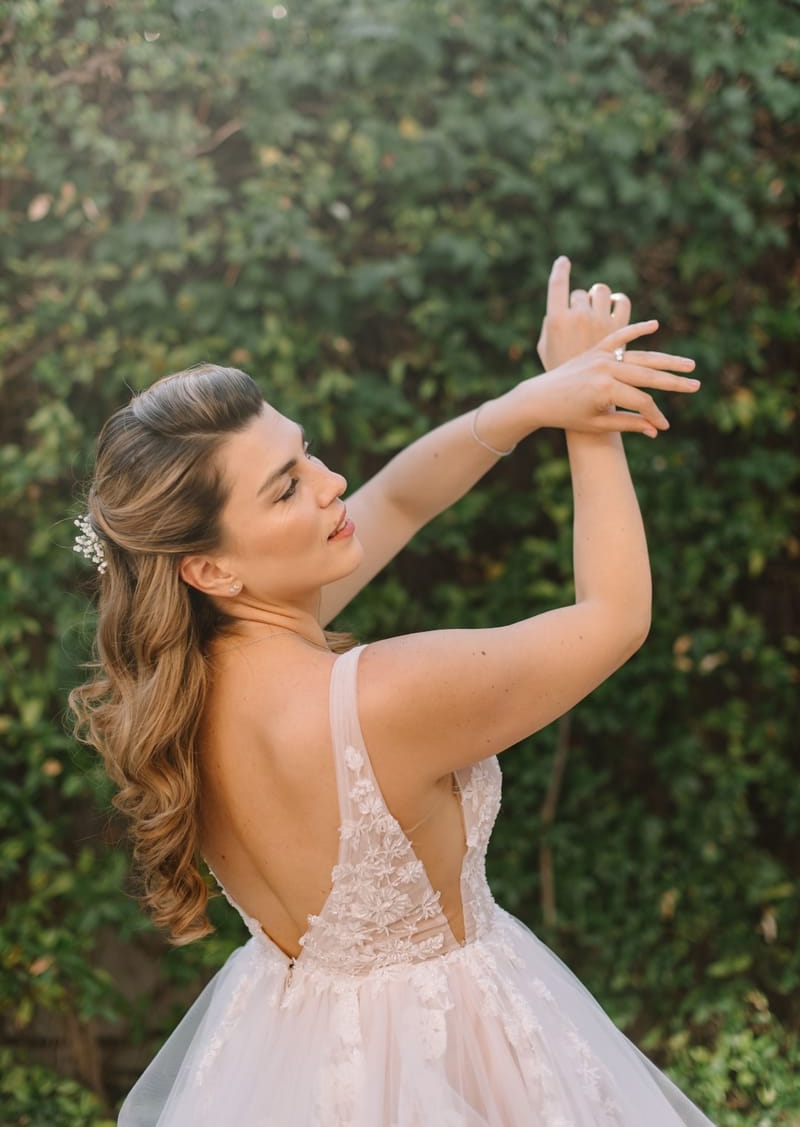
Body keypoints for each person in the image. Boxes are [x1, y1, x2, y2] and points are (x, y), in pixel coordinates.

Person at [71, 257, 715, 1126]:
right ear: (211, 566)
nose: (331, 484)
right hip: (455, 1060)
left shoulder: (184, 685)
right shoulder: (383, 699)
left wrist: (537, 397)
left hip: (288, 1064)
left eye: (305, 454)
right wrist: (589, 423)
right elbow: (615, 618)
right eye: (287, 487)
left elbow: (400, 500)